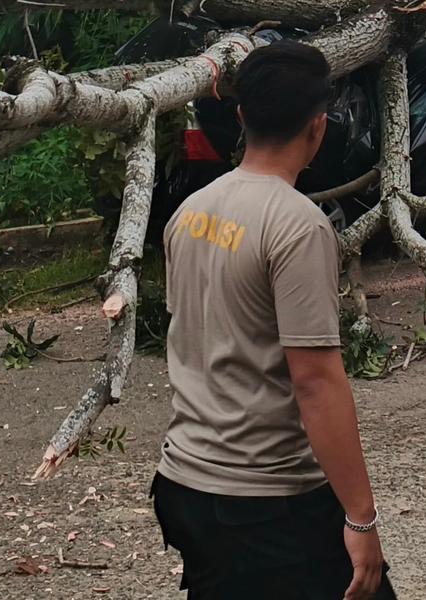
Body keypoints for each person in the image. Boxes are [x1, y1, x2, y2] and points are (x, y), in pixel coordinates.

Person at [153, 42, 396, 600]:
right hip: (265, 500)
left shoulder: (188, 213)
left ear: (242, 117)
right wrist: (361, 518)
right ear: (318, 125)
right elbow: (316, 382)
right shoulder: (297, 227)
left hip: (184, 483)